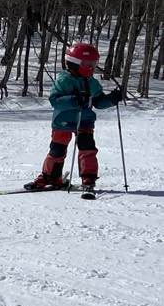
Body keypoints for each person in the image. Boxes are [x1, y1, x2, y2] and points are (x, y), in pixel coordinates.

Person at [26, 41, 123, 197]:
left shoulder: (92, 82)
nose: (91, 66)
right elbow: (55, 100)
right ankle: (51, 176)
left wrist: (112, 99)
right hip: (63, 121)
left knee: (87, 148)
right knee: (57, 150)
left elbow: (98, 102)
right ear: (75, 63)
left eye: (94, 63)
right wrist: (74, 100)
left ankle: (88, 179)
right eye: (87, 63)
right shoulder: (64, 80)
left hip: (84, 120)